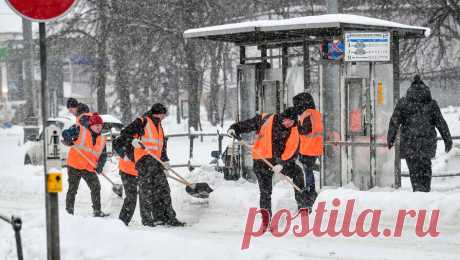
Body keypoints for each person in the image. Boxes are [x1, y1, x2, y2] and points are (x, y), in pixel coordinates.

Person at [228, 107, 308, 231]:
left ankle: (303, 210)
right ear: (282, 117)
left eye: (292, 122)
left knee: (297, 173)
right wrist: (234, 128)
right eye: (288, 121)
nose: (289, 124)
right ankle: (266, 222)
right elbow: (247, 125)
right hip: (262, 161)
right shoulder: (265, 119)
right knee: (265, 192)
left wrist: (283, 164)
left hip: (281, 162)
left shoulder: (294, 129)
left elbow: (292, 150)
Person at [119, 103, 184, 227]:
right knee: (146, 191)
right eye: (164, 115)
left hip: (156, 162)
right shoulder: (142, 121)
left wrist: (165, 161)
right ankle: (147, 220)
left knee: (164, 189)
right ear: (159, 114)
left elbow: (162, 146)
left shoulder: (159, 126)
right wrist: (133, 141)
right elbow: (124, 134)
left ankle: (167, 217)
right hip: (144, 160)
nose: (164, 117)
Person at [387, 75, 452, 192]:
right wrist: (448, 140)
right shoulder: (432, 104)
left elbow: (394, 122)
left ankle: (417, 192)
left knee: (414, 171)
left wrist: (390, 139)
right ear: (426, 90)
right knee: (426, 168)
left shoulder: (403, 103)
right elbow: (441, 123)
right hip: (427, 144)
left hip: (409, 143)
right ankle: (425, 192)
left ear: (410, 90)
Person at [62, 113, 109, 217]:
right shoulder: (80, 130)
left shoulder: (102, 139)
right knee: (73, 189)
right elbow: (65, 133)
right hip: (74, 164)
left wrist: (100, 165)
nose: (99, 127)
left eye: (100, 125)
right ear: (91, 125)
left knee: (96, 186)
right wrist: (69, 138)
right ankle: (69, 213)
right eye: (96, 125)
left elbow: (103, 155)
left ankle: (97, 210)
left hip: (88, 167)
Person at [292, 92, 323, 208]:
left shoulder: (306, 115)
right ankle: (311, 191)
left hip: (307, 149)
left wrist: (297, 126)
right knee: (308, 171)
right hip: (315, 148)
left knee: (308, 172)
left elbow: (304, 131)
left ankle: (310, 194)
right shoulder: (316, 114)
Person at [113, 135, 139, 226]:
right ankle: (122, 222)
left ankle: (153, 219)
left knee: (148, 195)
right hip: (127, 170)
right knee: (131, 197)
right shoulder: (132, 131)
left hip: (142, 170)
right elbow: (116, 142)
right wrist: (124, 154)